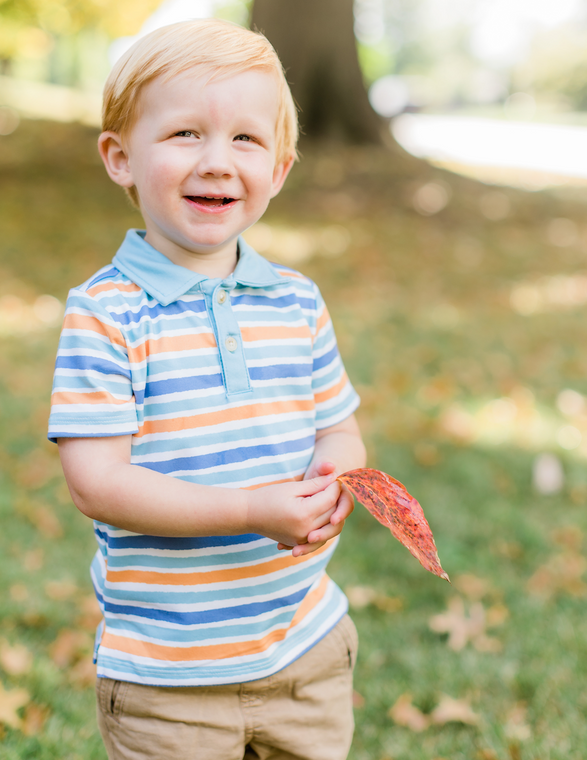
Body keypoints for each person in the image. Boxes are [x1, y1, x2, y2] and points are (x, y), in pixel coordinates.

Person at [48, 18, 366, 760]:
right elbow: (97, 482)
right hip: (169, 676)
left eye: (246, 140)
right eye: (186, 133)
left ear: (281, 169)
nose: (218, 162)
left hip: (306, 649)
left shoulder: (297, 300)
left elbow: (337, 425)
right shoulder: (105, 312)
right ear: (121, 158)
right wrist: (251, 510)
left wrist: (336, 473)